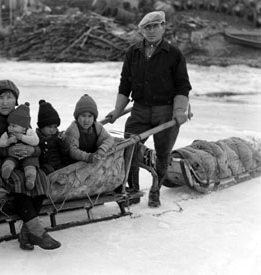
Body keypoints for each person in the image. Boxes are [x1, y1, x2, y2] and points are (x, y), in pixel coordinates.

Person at [106, 11, 192, 207]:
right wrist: (117, 110)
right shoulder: (133, 52)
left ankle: (155, 190)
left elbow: (182, 86)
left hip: (166, 112)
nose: (151, 31)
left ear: (163, 27)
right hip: (140, 111)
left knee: (163, 154)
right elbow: (125, 85)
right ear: (141, 30)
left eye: (155, 26)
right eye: (147, 27)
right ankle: (134, 190)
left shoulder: (174, 55)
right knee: (129, 148)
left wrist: (179, 111)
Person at [0, 79, 61, 250]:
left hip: (22, 160)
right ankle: (38, 232)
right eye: (0, 98)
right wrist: (5, 152)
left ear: (16, 100)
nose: (5, 102)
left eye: (9, 97)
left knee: (40, 178)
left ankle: (27, 233)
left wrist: (30, 151)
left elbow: (36, 146)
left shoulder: (22, 118)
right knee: (18, 179)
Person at [0, 102, 39, 190]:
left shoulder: (29, 132)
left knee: (30, 166)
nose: (10, 128)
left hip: (28, 157)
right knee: (9, 161)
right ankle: (6, 171)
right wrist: (8, 142)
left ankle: (30, 179)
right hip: (13, 156)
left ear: (24, 127)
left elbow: (36, 141)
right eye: (9, 125)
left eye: (14, 126)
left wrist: (22, 137)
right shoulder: (8, 133)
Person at [65, 94, 114, 163]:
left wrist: (102, 149)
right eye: (83, 116)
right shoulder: (73, 130)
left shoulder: (97, 126)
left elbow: (109, 138)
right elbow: (72, 151)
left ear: (94, 118)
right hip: (76, 163)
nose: (86, 120)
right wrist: (88, 157)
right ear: (77, 117)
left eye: (90, 116)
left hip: (92, 158)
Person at [36, 99, 70, 175]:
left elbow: (65, 151)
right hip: (44, 166)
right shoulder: (36, 138)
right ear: (42, 126)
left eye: (55, 127)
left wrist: (63, 141)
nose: (52, 130)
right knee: (49, 171)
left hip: (58, 163)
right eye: (49, 127)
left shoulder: (57, 137)